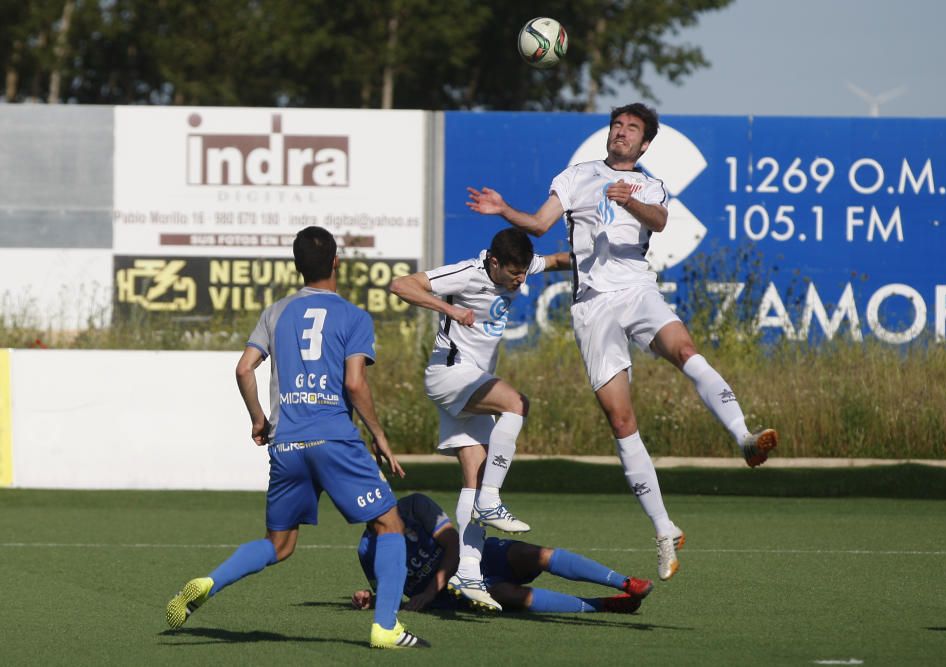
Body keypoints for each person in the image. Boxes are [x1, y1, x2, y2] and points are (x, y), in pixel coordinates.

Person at [466, 103, 778, 582]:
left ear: (645, 143)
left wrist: (628, 200)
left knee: (686, 350)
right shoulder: (576, 176)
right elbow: (538, 224)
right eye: (617, 126)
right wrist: (504, 209)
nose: (622, 133)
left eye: (632, 129)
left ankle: (744, 437)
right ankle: (663, 530)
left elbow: (658, 220)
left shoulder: (650, 185)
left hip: (638, 291)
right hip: (592, 306)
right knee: (621, 419)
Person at [165, 226, 428, 650]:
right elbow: (356, 383)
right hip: (335, 440)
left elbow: (243, 369)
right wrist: (378, 434)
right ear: (336, 262)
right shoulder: (353, 316)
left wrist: (259, 420)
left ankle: (210, 582)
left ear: (296, 266)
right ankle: (386, 628)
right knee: (389, 523)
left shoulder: (276, 312)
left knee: (279, 545)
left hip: (286, 444)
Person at [389, 228, 569, 612]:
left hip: (469, 382)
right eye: (514, 274)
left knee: (475, 472)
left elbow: (555, 261)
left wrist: (603, 261)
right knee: (516, 404)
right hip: (451, 375)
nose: (521, 281)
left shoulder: (517, 266)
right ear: (494, 263)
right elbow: (400, 284)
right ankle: (491, 501)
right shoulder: (467, 273)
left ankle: (469, 571)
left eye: (524, 273)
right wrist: (450, 309)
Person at [351, 493, 653, 615]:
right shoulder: (367, 550)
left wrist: (429, 590)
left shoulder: (416, 505)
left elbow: (454, 545)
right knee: (504, 592)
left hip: (477, 558)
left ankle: (625, 583)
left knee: (530, 553)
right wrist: (371, 599)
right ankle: (602, 605)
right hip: (454, 593)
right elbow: (392, 596)